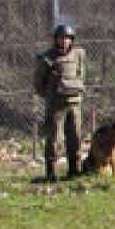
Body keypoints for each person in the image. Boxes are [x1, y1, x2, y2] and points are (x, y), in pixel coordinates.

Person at [33, 22, 86, 181]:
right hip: (55, 104)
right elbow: (38, 82)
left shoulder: (78, 54)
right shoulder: (47, 58)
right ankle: (51, 172)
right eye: (61, 38)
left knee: (75, 136)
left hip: (74, 102)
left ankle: (74, 170)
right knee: (54, 138)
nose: (64, 42)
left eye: (68, 39)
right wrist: (50, 96)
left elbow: (80, 74)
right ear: (55, 39)